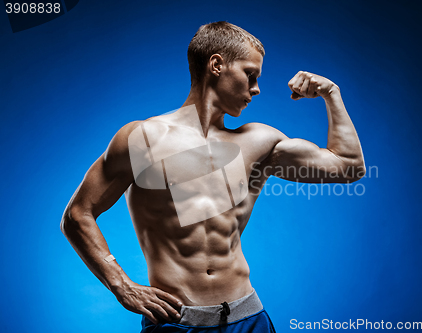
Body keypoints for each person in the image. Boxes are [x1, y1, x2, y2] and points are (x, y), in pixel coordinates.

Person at [61, 21, 365, 332]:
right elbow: (77, 214)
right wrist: (120, 285)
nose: (257, 88)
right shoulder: (143, 138)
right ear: (217, 65)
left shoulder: (259, 142)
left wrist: (332, 94)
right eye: (251, 74)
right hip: (176, 322)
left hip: (249, 318)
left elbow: (348, 166)